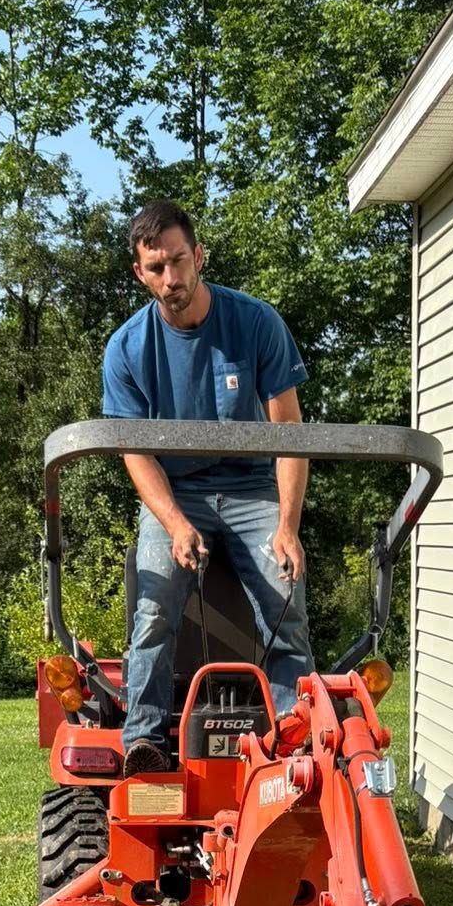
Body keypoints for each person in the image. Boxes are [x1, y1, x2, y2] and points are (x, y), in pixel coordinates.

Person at [101, 200, 314, 776]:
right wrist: (174, 524)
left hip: (252, 489)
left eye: (177, 261)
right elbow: (135, 450)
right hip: (177, 493)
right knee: (151, 606)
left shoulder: (256, 323)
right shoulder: (126, 349)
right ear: (139, 274)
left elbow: (287, 432)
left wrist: (288, 527)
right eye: (155, 268)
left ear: (198, 255)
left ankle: (294, 735)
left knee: (284, 595)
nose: (171, 278)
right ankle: (143, 738)